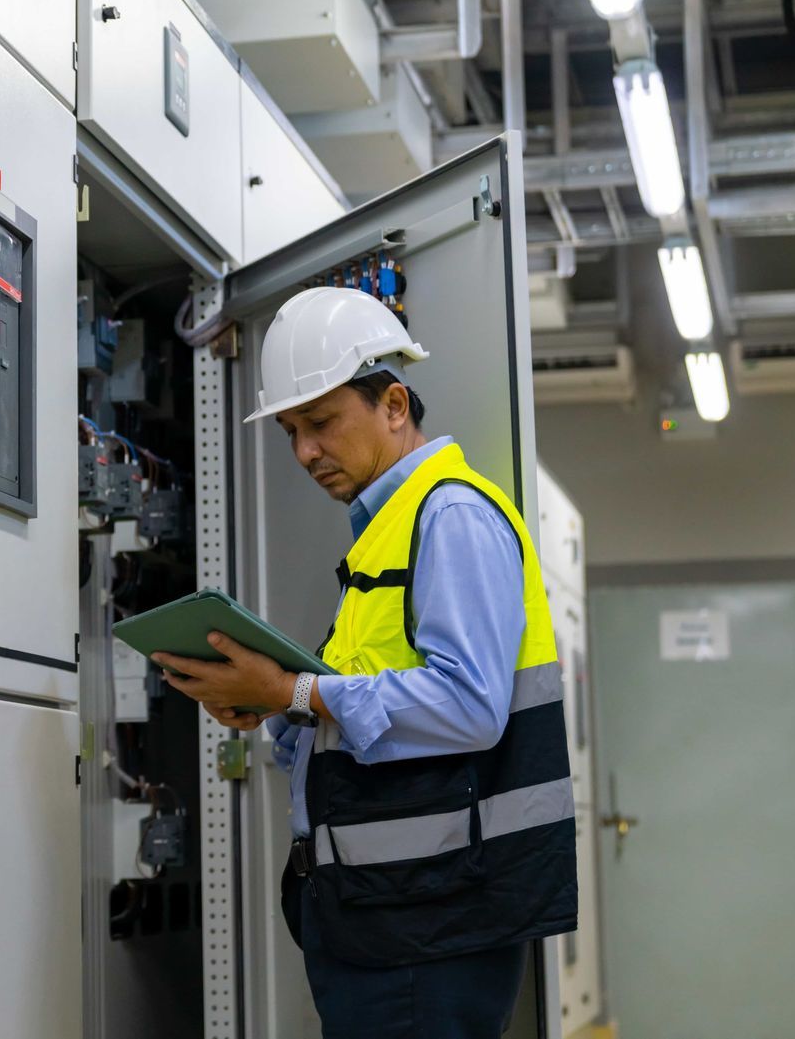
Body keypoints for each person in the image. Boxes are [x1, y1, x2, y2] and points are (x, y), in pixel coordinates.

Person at [152, 286, 576, 1038]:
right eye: (290, 430)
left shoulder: (449, 516)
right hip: (387, 918)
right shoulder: (384, 534)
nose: (305, 451)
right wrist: (282, 703)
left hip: (429, 926)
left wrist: (297, 688)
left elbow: (471, 706)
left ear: (393, 404)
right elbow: (372, 716)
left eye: (319, 422)